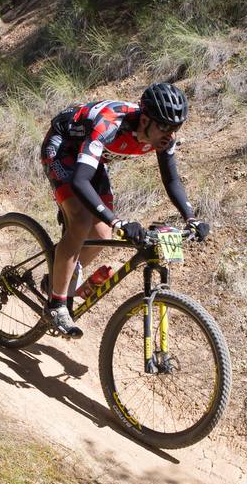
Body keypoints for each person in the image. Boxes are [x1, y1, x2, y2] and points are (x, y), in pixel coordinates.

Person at [39, 82, 210, 338]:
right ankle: (57, 305)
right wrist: (118, 221)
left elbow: (172, 180)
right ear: (144, 120)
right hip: (63, 147)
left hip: (92, 157)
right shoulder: (109, 125)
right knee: (81, 220)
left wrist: (191, 218)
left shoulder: (163, 138)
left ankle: (55, 276)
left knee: (101, 236)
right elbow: (79, 181)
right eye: (164, 126)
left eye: (176, 127)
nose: (170, 134)